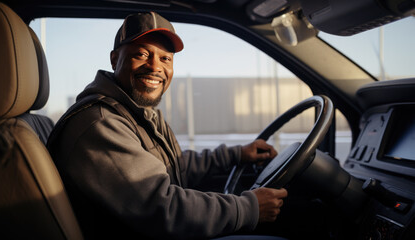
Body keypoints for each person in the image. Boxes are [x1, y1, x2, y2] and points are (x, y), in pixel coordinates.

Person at [47, 12, 288, 240]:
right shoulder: (100, 123)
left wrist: (237, 154)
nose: (155, 67)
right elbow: (162, 207)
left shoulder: (138, 113)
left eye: (165, 58)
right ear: (114, 59)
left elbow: (176, 166)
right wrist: (248, 208)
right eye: (141, 54)